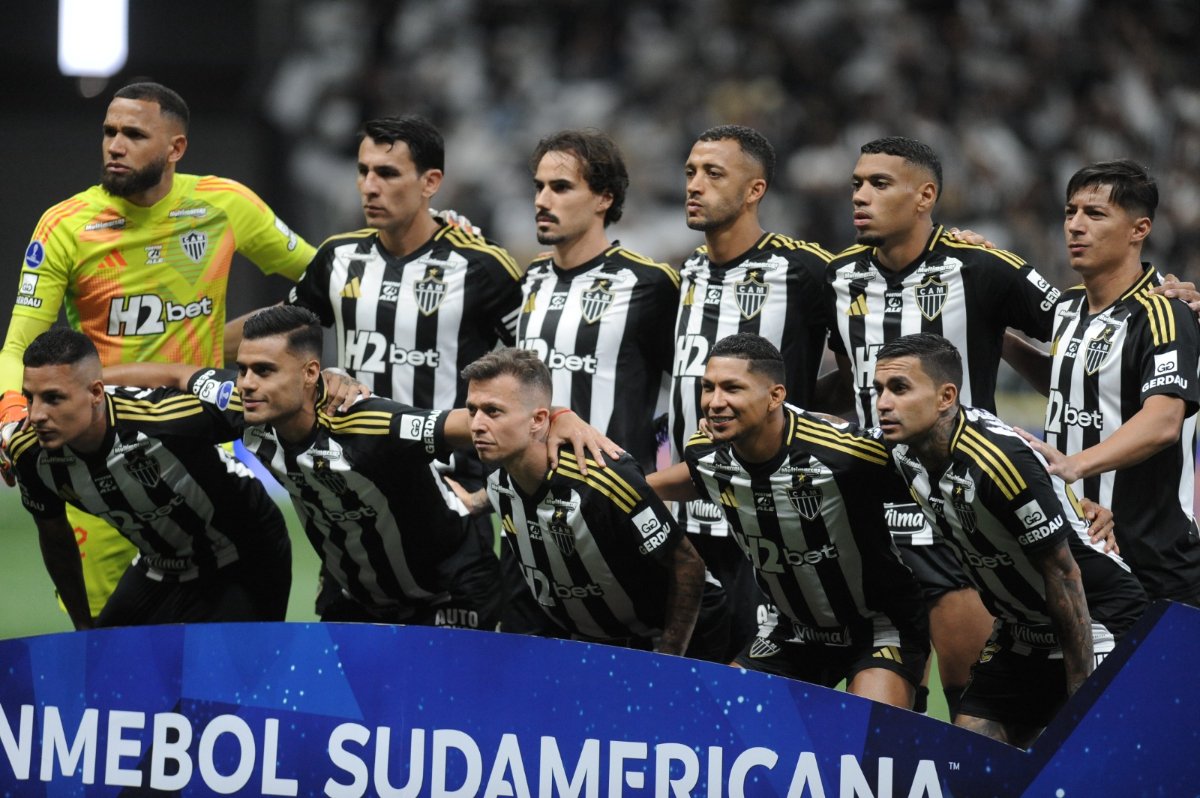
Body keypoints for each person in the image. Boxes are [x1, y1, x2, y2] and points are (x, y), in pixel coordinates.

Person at [0, 82, 316, 620]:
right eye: (109, 132)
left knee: (218, 615)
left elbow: (320, 278)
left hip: (192, 445)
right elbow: (18, 345)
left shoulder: (223, 204)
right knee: (108, 646)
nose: (114, 145)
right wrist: (10, 418)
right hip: (101, 458)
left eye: (134, 134)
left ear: (176, 149)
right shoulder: (67, 226)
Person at [108, 305, 615, 629]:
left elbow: (481, 421)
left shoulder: (369, 422)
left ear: (310, 375)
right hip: (354, 597)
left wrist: (562, 416)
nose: (245, 383)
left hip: (448, 588)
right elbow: (178, 374)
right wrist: (80, 383)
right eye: (242, 369)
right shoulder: (244, 410)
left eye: (264, 371)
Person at [820, 136, 1073, 717]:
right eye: (857, 183)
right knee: (882, 706)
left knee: (966, 699)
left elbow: (1089, 330)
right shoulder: (833, 277)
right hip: (865, 511)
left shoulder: (979, 266)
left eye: (879, 184)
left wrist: (1164, 296)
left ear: (925, 195)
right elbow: (827, 378)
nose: (860, 195)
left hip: (954, 514)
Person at [274, 114, 523, 619]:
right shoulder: (335, 258)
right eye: (363, 170)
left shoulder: (484, 268)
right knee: (351, 694)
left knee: (453, 691)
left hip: (448, 506)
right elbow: (280, 346)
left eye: (387, 173)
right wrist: (321, 375)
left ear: (431, 182)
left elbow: (535, 374)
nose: (369, 186)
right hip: (354, 502)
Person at [873, 332, 1147, 746]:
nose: (882, 403)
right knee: (972, 757)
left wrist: (1079, 706)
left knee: (1090, 764)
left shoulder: (997, 460)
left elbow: (1065, 576)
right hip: (1020, 630)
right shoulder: (903, 452)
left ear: (946, 396)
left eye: (899, 389)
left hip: (1098, 616)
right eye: (879, 390)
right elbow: (839, 437)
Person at [649, 333, 929, 707]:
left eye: (732, 388)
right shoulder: (705, 455)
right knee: (718, 728)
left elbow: (932, 476)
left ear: (775, 397)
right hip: (791, 630)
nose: (715, 402)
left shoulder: (843, 453)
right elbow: (684, 480)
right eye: (708, 388)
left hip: (878, 627)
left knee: (867, 747)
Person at [3, 327, 292, 628]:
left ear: (96, 393)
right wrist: (83, 630)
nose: (36, 415)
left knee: (219, 672)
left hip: (244, 554)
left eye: (53, 398)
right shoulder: (30, 454)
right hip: (158, 564)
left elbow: (275, 403)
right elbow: (56, 540)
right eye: (30, 398)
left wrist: (334, 385)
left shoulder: (166, 419)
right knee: (101, 663)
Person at [671, 125, 835, 656]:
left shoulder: (804, 270)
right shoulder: (687, 272)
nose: (695, 184)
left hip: (771, 522)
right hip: (689, 517)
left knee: (756, 692)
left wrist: (798, 416)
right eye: (692, 172)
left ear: (754, 191)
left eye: (714, 174)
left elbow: (865, 371)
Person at [1016, 160, 1200, 607]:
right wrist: (999, 339)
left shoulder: (1164, 311)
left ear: (1139, 229)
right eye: (1070, 212)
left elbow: (1162, 421)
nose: (1076, 226)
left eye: (1095, 214)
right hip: (1080, 544)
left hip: (1150, 559)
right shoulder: (1069, 305)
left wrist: (1075, 465)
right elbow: (1073, 383)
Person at [461, 347, 724, 657]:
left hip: (669, 637)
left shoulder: (603, 479)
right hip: (594, 640)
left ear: (538, 420)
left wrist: (667, 660)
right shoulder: (500, 477)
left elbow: (688, 565)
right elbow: (496, 493)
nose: (476, 424)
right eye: (472, 410)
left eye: (492, 411)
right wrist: (469, 502)